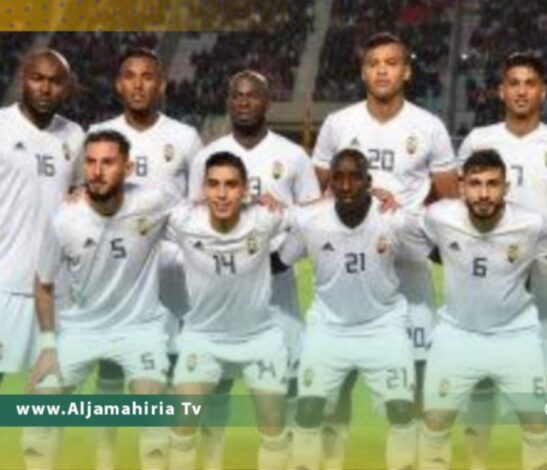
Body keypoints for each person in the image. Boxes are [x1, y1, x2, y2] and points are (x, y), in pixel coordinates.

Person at [312, 32, 458, 468]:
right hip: (349, 271)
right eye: (373, 62)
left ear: (406, 72)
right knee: (336, 386)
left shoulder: (429, 126)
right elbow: (319, 193)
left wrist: (408, 223)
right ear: (363, 71)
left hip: (408, 271)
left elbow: (449, 203)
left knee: (416, 383)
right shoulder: (338, 123)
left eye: (391, 63)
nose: (381, 70)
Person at [457, 52, 547, 470]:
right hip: (488, 287)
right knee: (482, 385)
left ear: (543, 91)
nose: (520, 91)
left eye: (529, 83)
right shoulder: (479, 140)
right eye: (513, 83)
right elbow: (461, 207)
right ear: (500, 91)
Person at [187, 70, 321, 470]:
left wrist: (281, 259)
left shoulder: (293, 156)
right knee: (216, 387)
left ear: (268, 102)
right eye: (237, 95)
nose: (244, 102)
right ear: (228, 101)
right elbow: (194, 218)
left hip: (276, 294)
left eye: (253, 95)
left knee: (281, 393)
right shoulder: (206, 156)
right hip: (221, 296)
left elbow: (312, 222)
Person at [23, 130, 175, 470]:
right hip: (81, 331)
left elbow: (205, 210)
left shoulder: (155, 202)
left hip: (140, 329)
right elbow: (43, 284)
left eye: (108, 162)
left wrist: (259, 203)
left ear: (128, 168)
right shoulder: (64, 220)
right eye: (90, 162)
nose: (97, 171)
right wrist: (48, 346)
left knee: (153, 408)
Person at [87, 47, 203, 470]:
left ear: (162, 84)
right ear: (119, 84)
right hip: (114, 274)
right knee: (111, 375)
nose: (138, 84)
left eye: (147, 76)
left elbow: (197, 210)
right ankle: (104, 460)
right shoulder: (99, 133)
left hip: (169, 274)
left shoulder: (185, 137)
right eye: (130, 76)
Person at [417, 150, 547, 470]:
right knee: (435, 420)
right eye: (475, 184)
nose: (483, 193)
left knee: (537, 422)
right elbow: (412, 233)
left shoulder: (532, 224)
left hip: (515, 336)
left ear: (505, 188)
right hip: (457, 334)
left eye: (492, 184)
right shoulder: (439, 216)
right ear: (462, 187)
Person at [279, 149, 418, 470]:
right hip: (328, 328)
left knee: (401, 411)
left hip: (383, 327)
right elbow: (280, 261)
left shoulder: (394, 220)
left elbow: (427, 253)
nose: (345, 185)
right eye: (338, 178)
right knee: (308, 410)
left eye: (354, 177)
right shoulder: (310, 221)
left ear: (368, 181)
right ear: (329, 184)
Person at [167, 152, 289, 470]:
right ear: (203, 189)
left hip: (259, 339)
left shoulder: (265, 218)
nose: (222, 194)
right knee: (183, 422)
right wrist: (84, 195)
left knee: (273, 427)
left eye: (231, 185)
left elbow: (316, 216)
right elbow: (126, 210)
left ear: (245, 189)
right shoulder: (183, 220)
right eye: (214, 184)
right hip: (202, 338)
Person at [0, 49, 84, 388]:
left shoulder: (75, 135)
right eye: (38, 79)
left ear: (67, 87)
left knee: (52, 389)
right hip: (4, 282)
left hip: (53, 289)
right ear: (24, 79)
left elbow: (81, 198)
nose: (45, 89)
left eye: (55, 81)